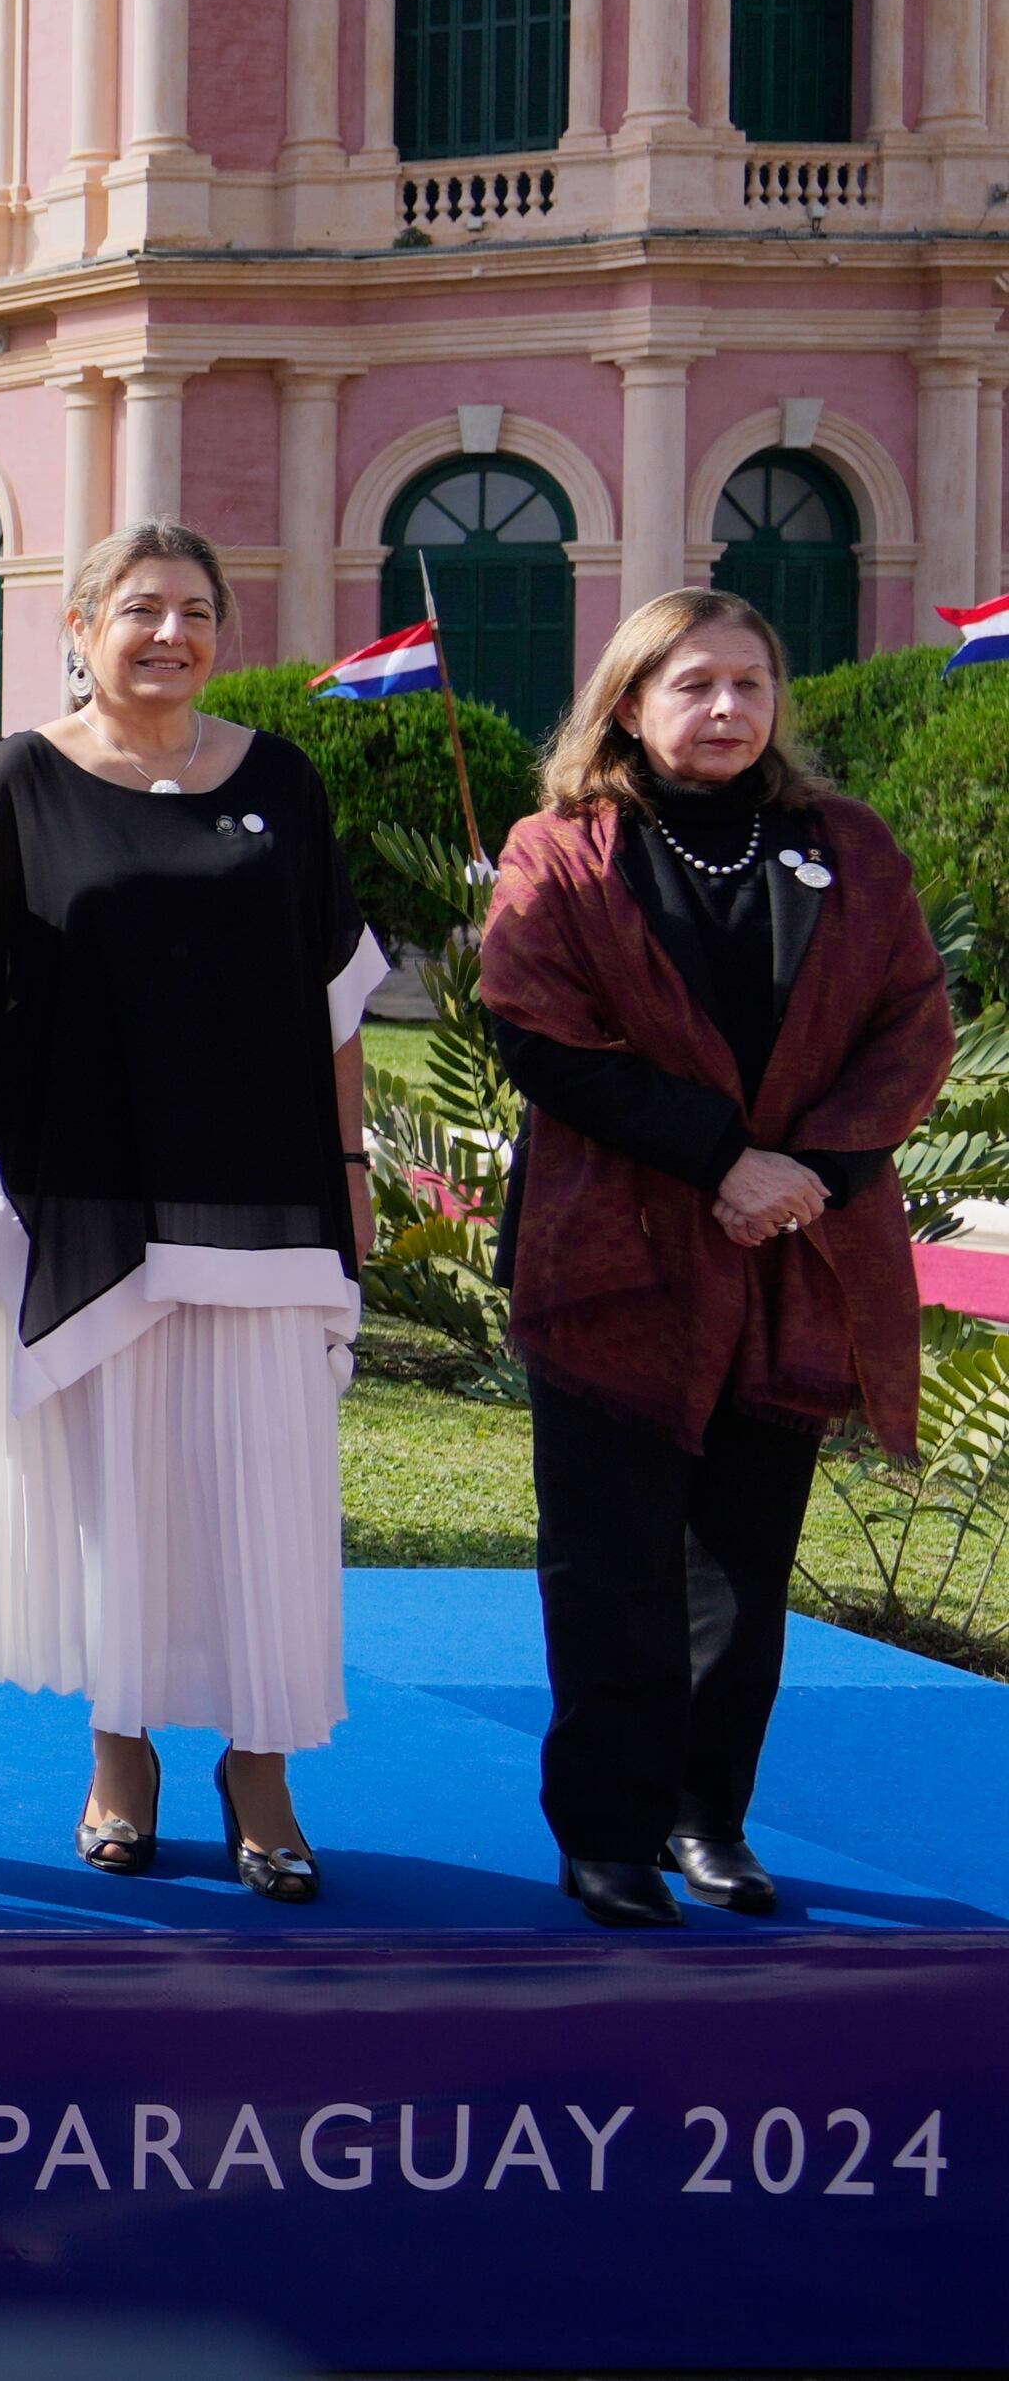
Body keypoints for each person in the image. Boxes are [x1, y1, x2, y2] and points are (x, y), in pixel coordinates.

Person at [479, 589, 952, 1927]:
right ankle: (610, 1832)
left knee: (744, 1564)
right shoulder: (559, 850)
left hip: (796, 1256)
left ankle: (709, 1819)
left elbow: (914, 1024)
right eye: (695, 686)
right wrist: (720, 1160)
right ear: (630, 702)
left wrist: (817, 1174)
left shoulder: (846, 846)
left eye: (751, 685)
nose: (729, 710)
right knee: (611, 1559)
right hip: (613, 1268)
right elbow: (537, 1031)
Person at [0, 520, 377, 1903]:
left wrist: (354, 1171)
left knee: (264, 1497)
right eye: (138, 608)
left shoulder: (282, 782)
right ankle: (122, 1757)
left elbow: (334, 1001)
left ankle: (264, 1772)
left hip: (265, 1202)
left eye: (194, 608)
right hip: (92, 1193)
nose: (168, 633)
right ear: (79, 627)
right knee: (124, 1497)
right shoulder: (16, 784)